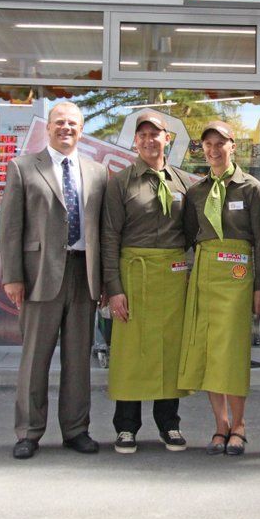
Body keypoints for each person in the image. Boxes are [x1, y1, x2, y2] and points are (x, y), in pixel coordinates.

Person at [0, 102, 108, 460]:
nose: (66, 128)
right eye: (59, 122)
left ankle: (76, 430)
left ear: (82, 129)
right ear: (48, 128)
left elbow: (104, 231)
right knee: (35, 359)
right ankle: (28, 432)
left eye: (73, 123)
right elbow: (10, 227)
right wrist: (13, 276)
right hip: (39, 275)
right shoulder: (23, 167)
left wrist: (105, 280)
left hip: (83, 275)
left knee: (78, 360)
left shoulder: (97, 172)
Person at [101, 111, 191, 454]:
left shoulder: (182, 182)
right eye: (143, 135)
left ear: (167, 138)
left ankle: (169, 424)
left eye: (156, 134)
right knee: (131, 352)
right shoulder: (120, 182)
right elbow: (109, 237)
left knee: (170, 349)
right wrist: (114, 289)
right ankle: (126, 426)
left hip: (172, 277)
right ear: (135, 141)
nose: (149, 140)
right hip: (133, 275)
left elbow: (191, 231)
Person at [178, 121, 260, 456]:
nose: (214, 150)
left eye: (220, 143)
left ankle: (239, 425)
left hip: (238, 277)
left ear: (233, 146)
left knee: (232, 351)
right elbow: (189, 236)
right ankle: (220, 425)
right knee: (209, 351)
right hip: (205, 275)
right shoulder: (196, 192)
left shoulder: (251, 189)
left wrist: (259, 288)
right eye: (208, 145)